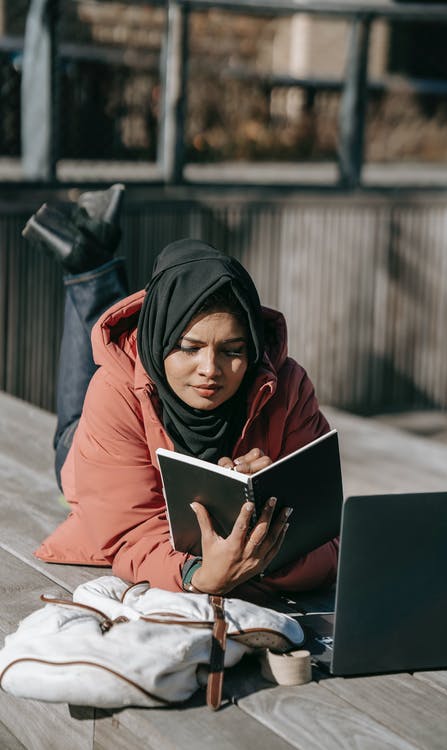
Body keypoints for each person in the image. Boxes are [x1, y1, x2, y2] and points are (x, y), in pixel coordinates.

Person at [23, 185, 338, 600]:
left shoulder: (287, 386)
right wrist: (198, 576)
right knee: (102, 373)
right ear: (163, 343)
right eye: (189, 348)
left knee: (119, 355)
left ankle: (90, 257)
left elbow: (327, 537)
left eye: (233, 350)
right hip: (102, 447)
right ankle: (87, 265)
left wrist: (263, 516)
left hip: (141, 382)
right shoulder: (115, 393)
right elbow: (129, 531)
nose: (211, 370)